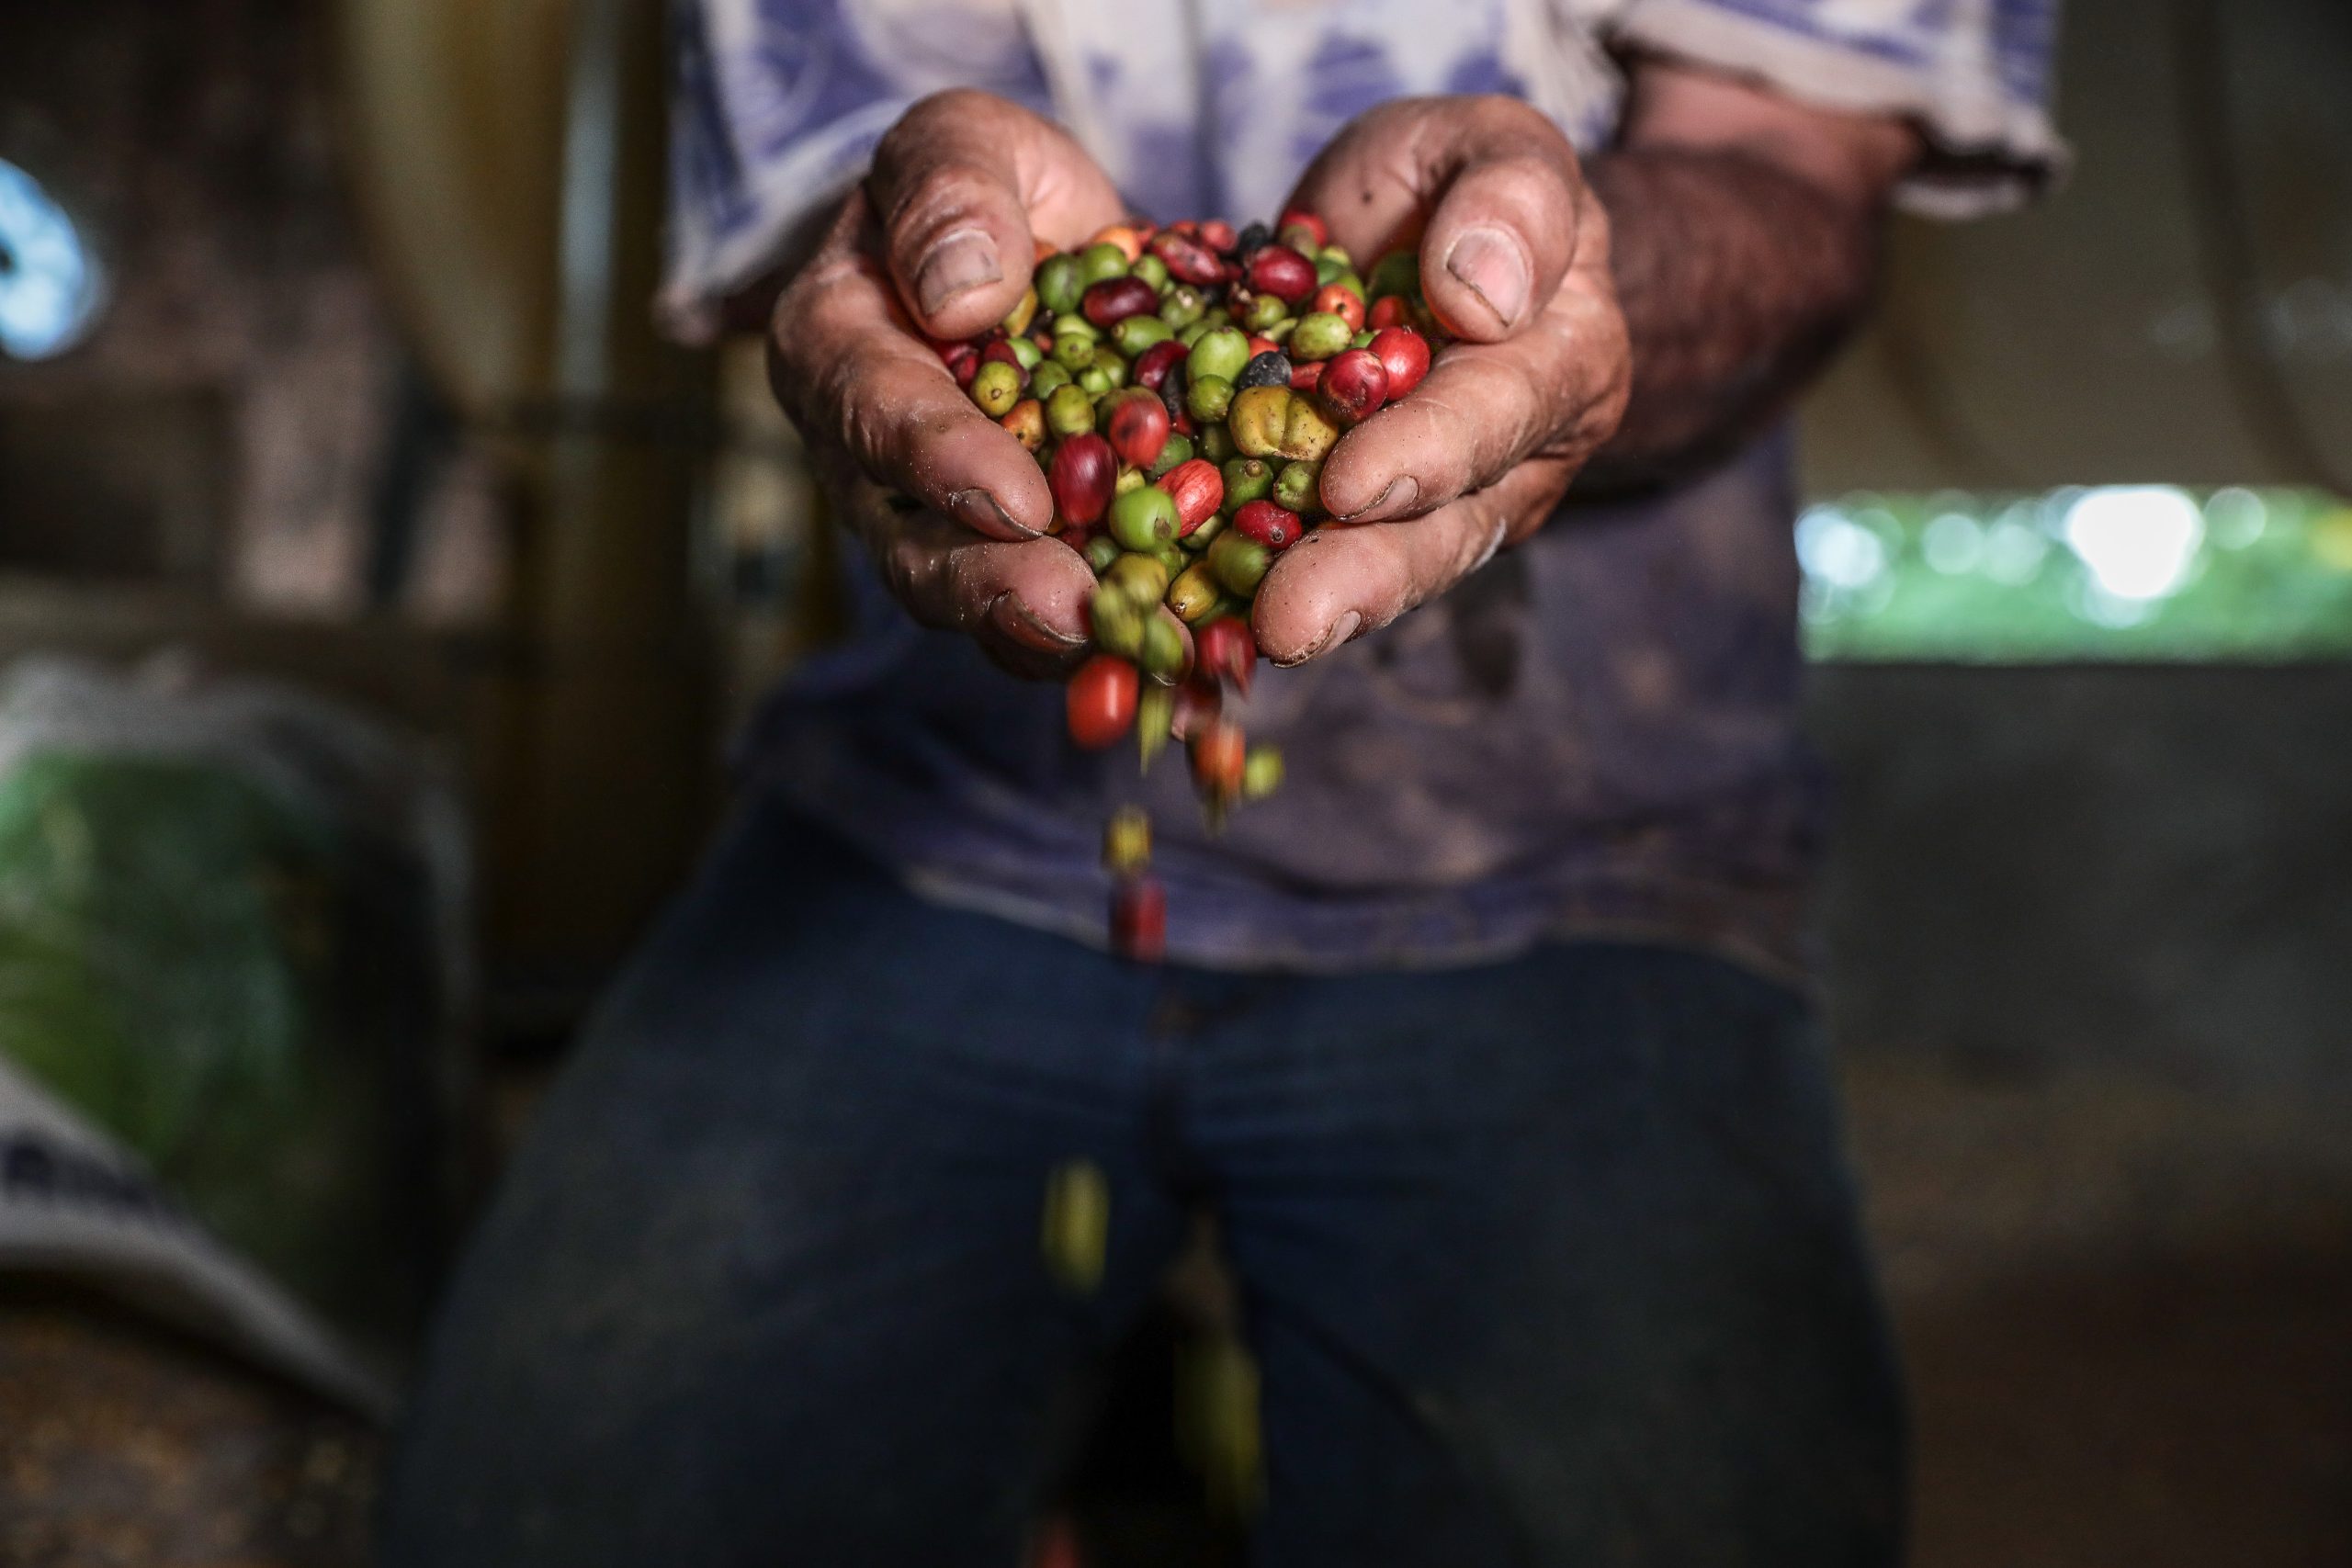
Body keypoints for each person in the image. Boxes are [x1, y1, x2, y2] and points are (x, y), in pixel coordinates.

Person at [385, 2, 2064, 1563]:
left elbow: (1789, 179)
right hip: (939, 824)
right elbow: (845, 219)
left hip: (1579, 858)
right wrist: (903, 237)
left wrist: (1578, 268)